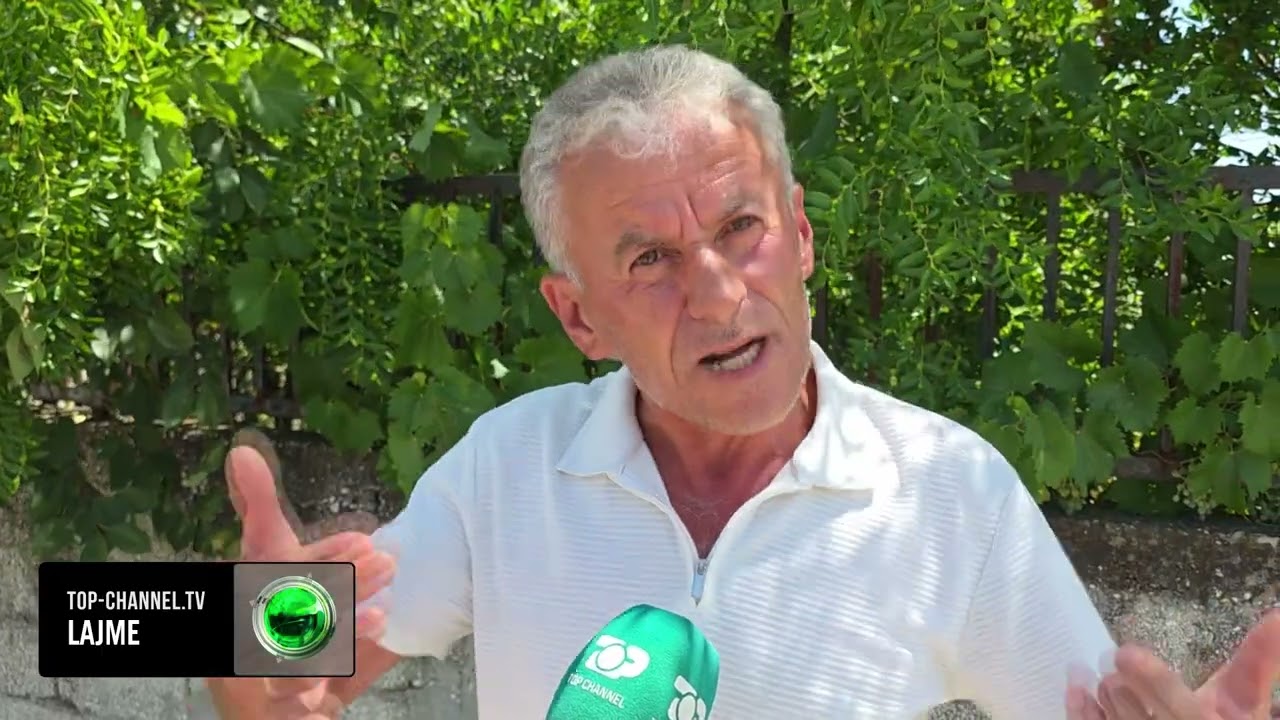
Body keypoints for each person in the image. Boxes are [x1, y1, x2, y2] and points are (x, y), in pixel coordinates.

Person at [204, 45, 1280, 719]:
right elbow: (269, 658)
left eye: (741, 228)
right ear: (577, 316)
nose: (719, 295)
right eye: (650, 259)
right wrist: (242, 644)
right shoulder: (506, 467)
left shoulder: (950, 492)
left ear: (800, 234)